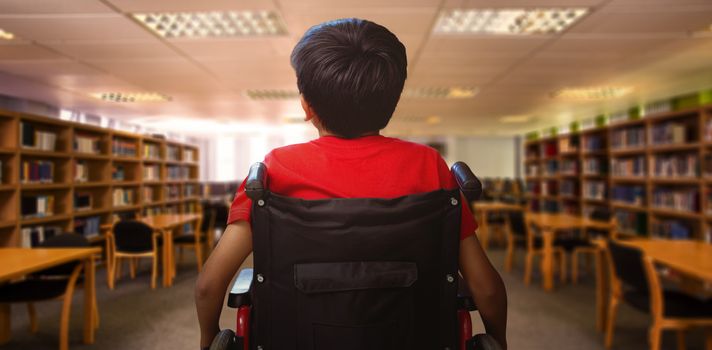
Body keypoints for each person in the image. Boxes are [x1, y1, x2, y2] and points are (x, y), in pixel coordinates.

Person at [195, 18, 508, 350]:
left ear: (306, 106)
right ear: (392, 103)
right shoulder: (429, 165)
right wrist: (498, 339)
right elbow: (485, 288)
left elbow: (208, 286)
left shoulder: (273, 171)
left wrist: (207, 337)